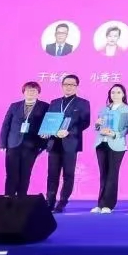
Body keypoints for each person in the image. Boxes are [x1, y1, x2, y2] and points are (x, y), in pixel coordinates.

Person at [43, 74, 91, 213]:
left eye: (71, 84)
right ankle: (49, 202)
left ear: (76, 86)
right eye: (66, 84)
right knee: (52, 174)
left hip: (71, 143)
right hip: (54, 143)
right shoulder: (54, 102)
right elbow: (49, 121)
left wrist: (68, 131)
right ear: (62, 86)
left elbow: (85, 122)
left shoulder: (83, 103)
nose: (68, 87)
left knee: (68, 174)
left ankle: (62, 202)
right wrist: (47, 131)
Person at [0, 81, 48, 197]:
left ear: (38, 93)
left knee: (25, 173)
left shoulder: (45, 106)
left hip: (32, 145)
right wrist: (2, 144)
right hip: (13, 144)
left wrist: (44, 142)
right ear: (23, 92)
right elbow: (6, 125)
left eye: (34, 90)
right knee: (11, 173)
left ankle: (22, 198)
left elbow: (48, 124)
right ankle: (8, 197)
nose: (31, 92)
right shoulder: (14, 106)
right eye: (28, 90)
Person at [91, 84, 128, 213]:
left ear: (123, 94)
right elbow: (98, 127)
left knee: (112, 174)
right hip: (101, 142)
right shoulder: (104, 109)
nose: (115, 95)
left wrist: (115, 134)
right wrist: (97, 125)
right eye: (113, 92)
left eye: (118, 92)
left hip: (117, 144)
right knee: (103, 174)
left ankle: (108, 205)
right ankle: (100, 204)